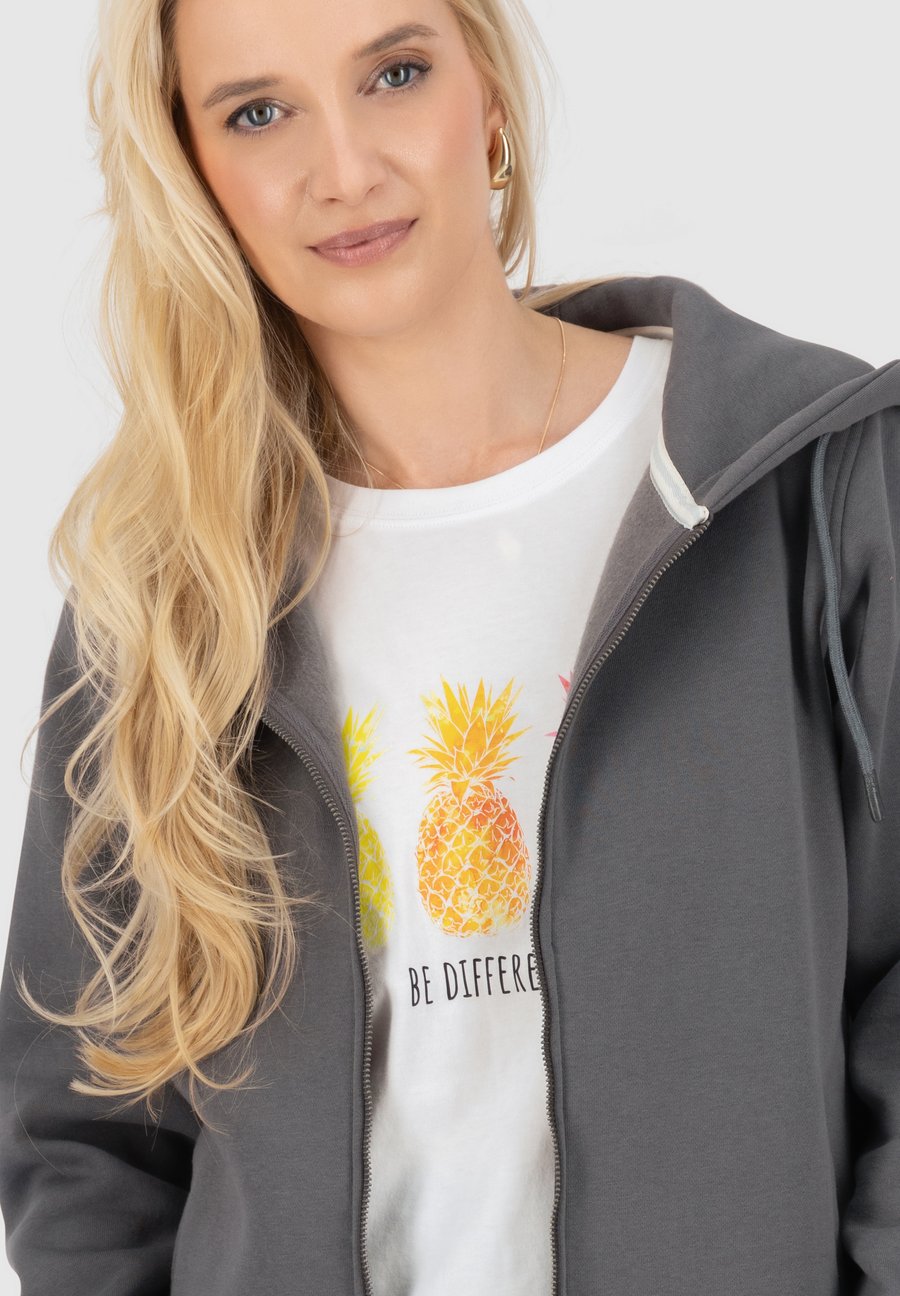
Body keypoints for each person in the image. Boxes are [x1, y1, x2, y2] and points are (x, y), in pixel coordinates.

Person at [1, 0, 898, 1292]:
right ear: (193, 171)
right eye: (260, 113)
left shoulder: (804, 480)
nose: (344, 169)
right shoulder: (166, 596)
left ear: (488, 96)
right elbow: (82, 1127)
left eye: (396, 74)